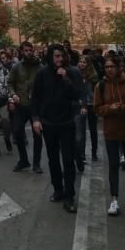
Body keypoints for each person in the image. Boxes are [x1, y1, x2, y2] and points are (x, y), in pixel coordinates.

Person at [31, 44, 84, 213]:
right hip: (48, 123)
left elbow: (77, 94)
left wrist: (66, 78)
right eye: (56, 56)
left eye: (61, 56)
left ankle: (70, 196)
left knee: (68, 160)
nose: (59, 59)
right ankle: (58, 189)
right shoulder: (42, 74)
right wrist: (36, 119)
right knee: (53, 160)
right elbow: (35, 98)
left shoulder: (72, 72)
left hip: (66, 122)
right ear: (50, 58)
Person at [94, 52, 125, 216]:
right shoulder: (100, 86)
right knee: (113, 165)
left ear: (118, 67)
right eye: (107, 67)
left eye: (112, 67)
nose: (109, 70)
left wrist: (122, 107)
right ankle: (114, 199)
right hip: (111, 131)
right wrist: (110, 108)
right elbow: (97, 109)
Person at [8, 41, 44, 173]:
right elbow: (10, 83)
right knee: (17, 132)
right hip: (21, 105)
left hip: (36, 106)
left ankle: (36, 163)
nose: (29, 53)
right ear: (22, 52)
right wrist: (13, 95)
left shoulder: (40, 67)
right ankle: (24, 160)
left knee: (37, 135)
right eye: (26, 50)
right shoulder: (16, 67)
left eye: (30, 50)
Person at [77, 48, 100, 164]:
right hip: (80, 105)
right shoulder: (75, 74)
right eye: (80, 62)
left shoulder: (93, 76)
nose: (82, 64)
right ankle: (81, 154)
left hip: (91, 104)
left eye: (84, 62)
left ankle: (94, 152)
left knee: (93, 130)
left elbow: (97, 91)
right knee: (80, 131)